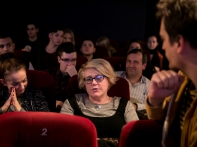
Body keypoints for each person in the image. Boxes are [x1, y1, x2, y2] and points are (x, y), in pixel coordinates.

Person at [146, 0, 197, 147]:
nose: (162, 46)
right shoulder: (185, 79)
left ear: (179, 43)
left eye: (163, 39)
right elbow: (163, 121)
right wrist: (155, 100)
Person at [61, 58, 138, 146]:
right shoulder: (71, 103)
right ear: (84, 83)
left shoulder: (124, 104)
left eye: (99, 78)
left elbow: (136, 136)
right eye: (89, 79)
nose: (93, 83)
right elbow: (64, 136)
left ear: (109, 80)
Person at [0, 52, 49, 147]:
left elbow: (44, 128)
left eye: (24, 81)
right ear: (4, 82)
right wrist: (3, 109)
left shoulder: (36, 95)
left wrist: (19, 109)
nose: (22, 87)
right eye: (15, 84)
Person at [116, 49, 150, 119]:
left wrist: (136, 106)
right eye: (129, 61)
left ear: (144, 66)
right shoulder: (114, 77)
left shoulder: (149, 85)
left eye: (135, 62)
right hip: (114, 114)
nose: (131, 65)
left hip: (137, 116)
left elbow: (151, 106)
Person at [52, 42, 78, 111]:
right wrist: (52, 102)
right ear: (59, 59)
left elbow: (83, 98)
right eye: (66, 60)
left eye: (73, 60)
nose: (70, 64)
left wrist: (75, 78)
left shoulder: (82, 76)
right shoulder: (49, 74)